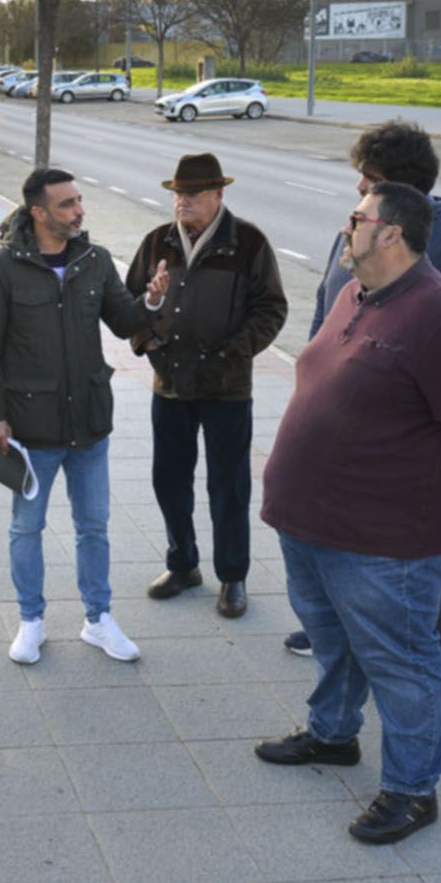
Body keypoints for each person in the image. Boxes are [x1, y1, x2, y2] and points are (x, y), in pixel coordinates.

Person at [254, 182, 441, 844]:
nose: (348, 225)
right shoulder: (354, 288)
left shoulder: (440, 315)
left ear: (392, 232)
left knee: (402, 660)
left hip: (386, 538)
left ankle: (411, 789)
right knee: (336, 639)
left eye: (358, 217)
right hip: (311, 519)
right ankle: (334, 734)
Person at [286, 120, 441, 659]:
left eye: (368, 177)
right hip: (339, 426)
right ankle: (335, 623)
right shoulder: (354, 231)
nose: (357, 188)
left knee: (418, 544)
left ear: (399, 191)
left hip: (403, 437)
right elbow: (326, 310)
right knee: (335, 529)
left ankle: (429, 648)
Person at [0, 168, 157, 664]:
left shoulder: (94, 261)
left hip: (89, 422)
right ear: (39, 212)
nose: (78, 211)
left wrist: (153, 300)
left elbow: (123, 320)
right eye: (68, 203)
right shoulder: (1, 268)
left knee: (93, 525)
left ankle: (99, 619)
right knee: (26, 527)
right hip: (31, 428)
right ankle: (31, 621)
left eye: (79, 201)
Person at [125, 152, 287, 618]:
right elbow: (129, 300)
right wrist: (149, 334)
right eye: (178, 194)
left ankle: (232, 577)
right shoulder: (157, 241)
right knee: (169, 481)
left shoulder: (249, 243)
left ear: (218, 195)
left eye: (193, 194)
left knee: (228, 486)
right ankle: (183, 564)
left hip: (226, 388)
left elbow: (271, 309)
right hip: (171, 384)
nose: (182, 202)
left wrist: (234, 353)